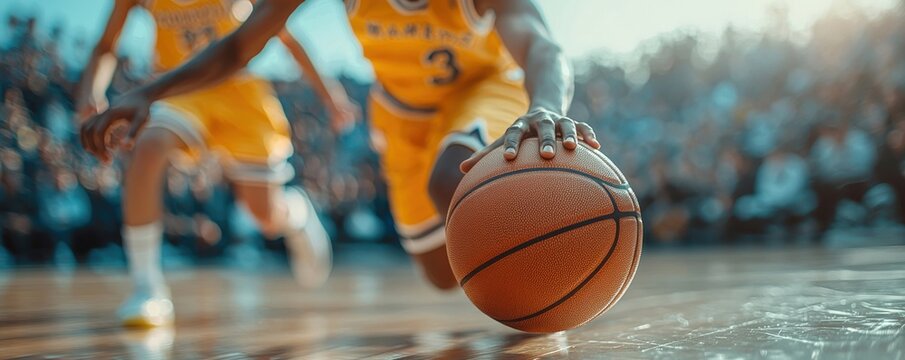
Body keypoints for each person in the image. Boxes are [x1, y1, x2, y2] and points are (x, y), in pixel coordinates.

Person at [81, 0, 600, 292]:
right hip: (401, 114)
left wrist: (547, 103)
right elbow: (242, 44)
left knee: (453, 177)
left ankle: (548, 300)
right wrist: (148, 90)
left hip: (485, 90)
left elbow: (539, 41)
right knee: (442, 275)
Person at [75, 0, 356, 327]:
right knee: (149, 147)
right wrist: (90, 90)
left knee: (264, 215)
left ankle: (295, 212)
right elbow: (106, 45)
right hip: (180, 90)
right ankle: (147, 288)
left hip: (239, 92)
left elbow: (284, 34)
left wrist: (330, 94)